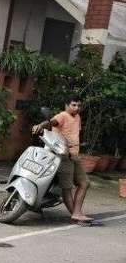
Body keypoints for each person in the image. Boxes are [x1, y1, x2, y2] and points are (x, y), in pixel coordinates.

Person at [34, 96, 91, 224]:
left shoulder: (77, 117)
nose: (77, 108)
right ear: (66, 105)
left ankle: (76, 213)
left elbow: (74, 134)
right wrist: (41, 125)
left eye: (79, 105)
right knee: (67, 187)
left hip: (74, 156)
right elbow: (51, 122)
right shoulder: (63, 115)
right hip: (63, 155)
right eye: (74, 105)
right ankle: (76, 214)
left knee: (85, 183)